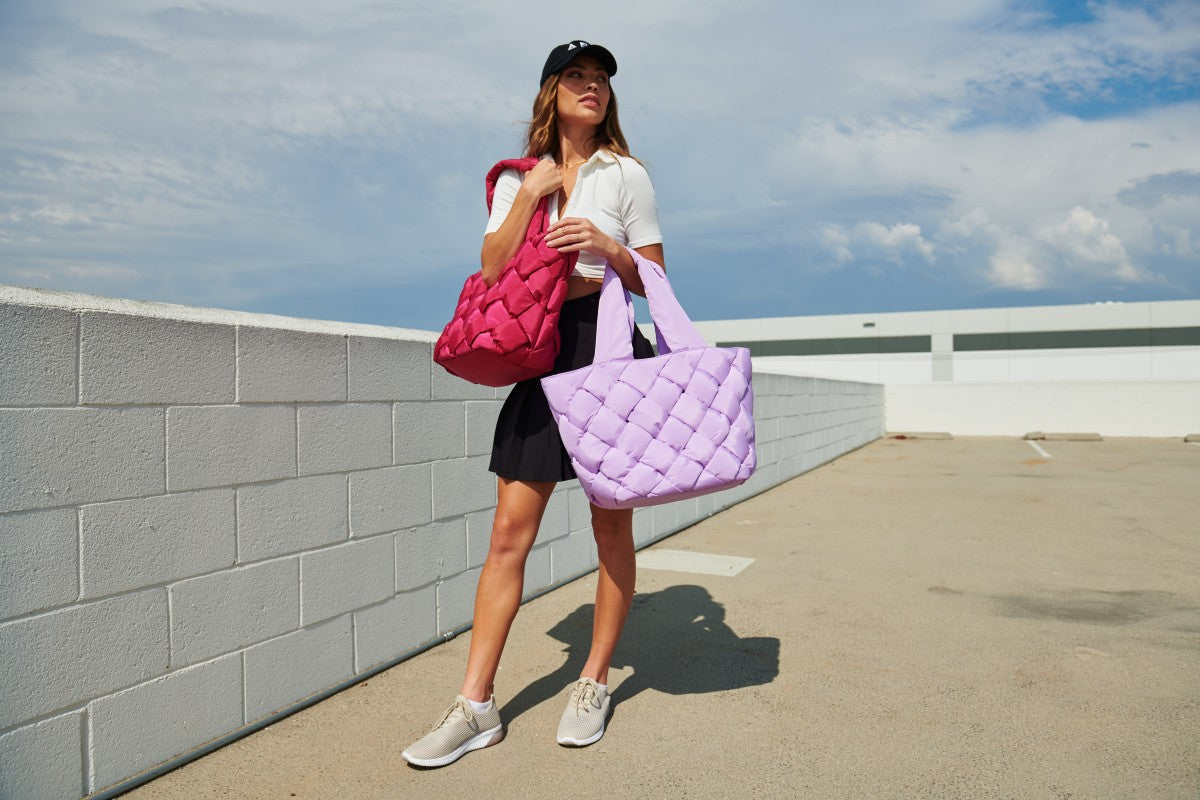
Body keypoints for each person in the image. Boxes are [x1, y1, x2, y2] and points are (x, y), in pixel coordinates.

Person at [403, 40, 664, 767]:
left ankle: (594, 681)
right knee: (507, 536)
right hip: (542, 349)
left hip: (606, 344)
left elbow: (654, 280)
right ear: (552, 90)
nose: (592, 87)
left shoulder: (627, 174)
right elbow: (492, 267)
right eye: (577, 76)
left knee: (610, 528)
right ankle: (475, 704)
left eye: (601, 78)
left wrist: (607, 245)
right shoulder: (520, 176)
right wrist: (530, 194)